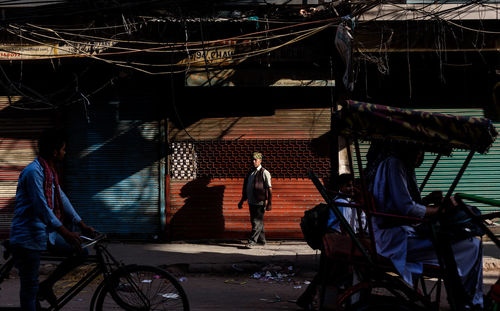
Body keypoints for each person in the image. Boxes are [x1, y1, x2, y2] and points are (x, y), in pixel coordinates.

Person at [370, 143, 483, 308]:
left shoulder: (398, 165)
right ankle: (470, 302)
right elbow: (406, 208)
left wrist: (428, 200)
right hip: (397, 239)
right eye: (417, 149)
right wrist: (441, 210)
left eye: (421, 151)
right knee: (472, 245)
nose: (419, 155)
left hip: (399, 232)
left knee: (465, 242)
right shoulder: (395, 164)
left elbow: (401, 204)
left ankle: (466, 298)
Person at [9, 128, 95, 311]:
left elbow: (62, 198)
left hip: (46, 234)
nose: (65, 152)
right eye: (63, 149)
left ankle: (47, 285)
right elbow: (42, 208)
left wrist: (81, 224)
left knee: (81, 253)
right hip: (28, 236)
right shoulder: (33, 172)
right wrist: (66, 232)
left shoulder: (49, 172)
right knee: (30, 288)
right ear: (54, 151)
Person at [296, 173, 364, 310]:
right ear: (341, 187)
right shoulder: (342, 203)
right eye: (348, 186)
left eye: (352, 186)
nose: (351, 189)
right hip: (336, 241)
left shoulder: (342, 200)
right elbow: (345, 226)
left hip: (333, 240)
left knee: (326, 274)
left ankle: (310, 300)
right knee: (328, 274)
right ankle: (311, 300)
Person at [238, 152, 272, 248]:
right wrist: (242, 200)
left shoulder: (265, 172)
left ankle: (252, 241)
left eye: (255, 160)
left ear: (260, 161)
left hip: (260, 201)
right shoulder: (251, 172)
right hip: (251, 201)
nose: (253, 161)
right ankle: (262, 240)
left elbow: (269, 188)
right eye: (252, 159)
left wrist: (269, 203)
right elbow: (246, 188)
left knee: (256, 221)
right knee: (257, 221)